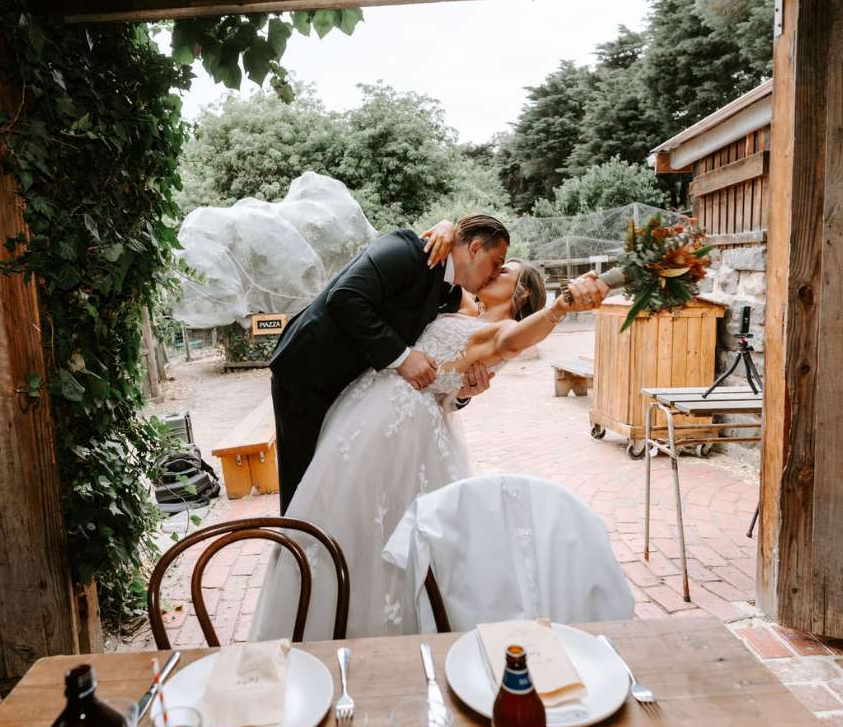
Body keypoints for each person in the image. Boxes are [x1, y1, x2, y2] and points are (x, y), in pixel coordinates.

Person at [250, 262, 608, 641]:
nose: (493, 270)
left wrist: (560, 308)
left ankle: (380, 634)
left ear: (520, 293)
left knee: (388, 536)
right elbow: (445, 372)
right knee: (349, 522)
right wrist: (460, 392)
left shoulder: (504, 331)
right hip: (370, 417)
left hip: (402, 436)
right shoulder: (462, 310)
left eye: (505, 270)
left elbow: (512, 343)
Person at [268, 215, 508, 515]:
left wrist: (462, 392)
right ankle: (297, 557)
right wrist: (402, 358)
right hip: (309, 373)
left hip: (355, 390)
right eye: (497, 262)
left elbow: (446, 351)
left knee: (336, 488)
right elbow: (345, 296)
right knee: (304, 483)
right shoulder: (405, 250)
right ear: (474, 248)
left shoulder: (448, 291)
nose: (496, 274)